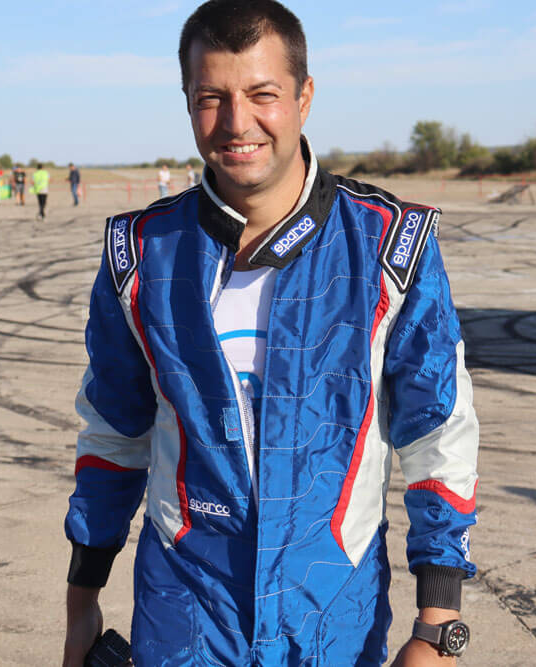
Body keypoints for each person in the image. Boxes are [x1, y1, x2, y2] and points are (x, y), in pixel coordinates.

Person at [62, 1, 479, 665]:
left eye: (263, 95)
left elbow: (438, 432)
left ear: (304, 97)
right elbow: (113, 433)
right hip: (184, 613)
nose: (237, 123)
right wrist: (81, 601)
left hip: (335, 613)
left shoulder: (390, 247)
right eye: (211, 98)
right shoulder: (139, 254)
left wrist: (439, 621)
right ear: (187, 101)